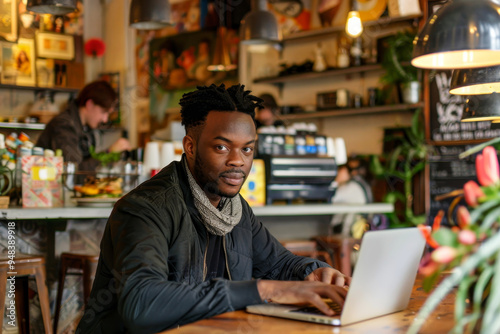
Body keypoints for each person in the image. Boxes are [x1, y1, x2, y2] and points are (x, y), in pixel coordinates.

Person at [76, 84, 350, 334]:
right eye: (222, 147)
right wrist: (263, 289)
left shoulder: (235, 208)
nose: (237, 161)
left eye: (247, 150)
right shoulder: (145, 208)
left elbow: (279, 263)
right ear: (190, 147)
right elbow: (142, 305)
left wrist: (313, 272)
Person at [36, 80, 131, 171]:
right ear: (89, 104)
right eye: (104, 112)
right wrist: (110, 152)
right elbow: (74, 173)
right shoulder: (63, 125)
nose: (105, 119)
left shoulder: (84, 127)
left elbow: (86, 165)